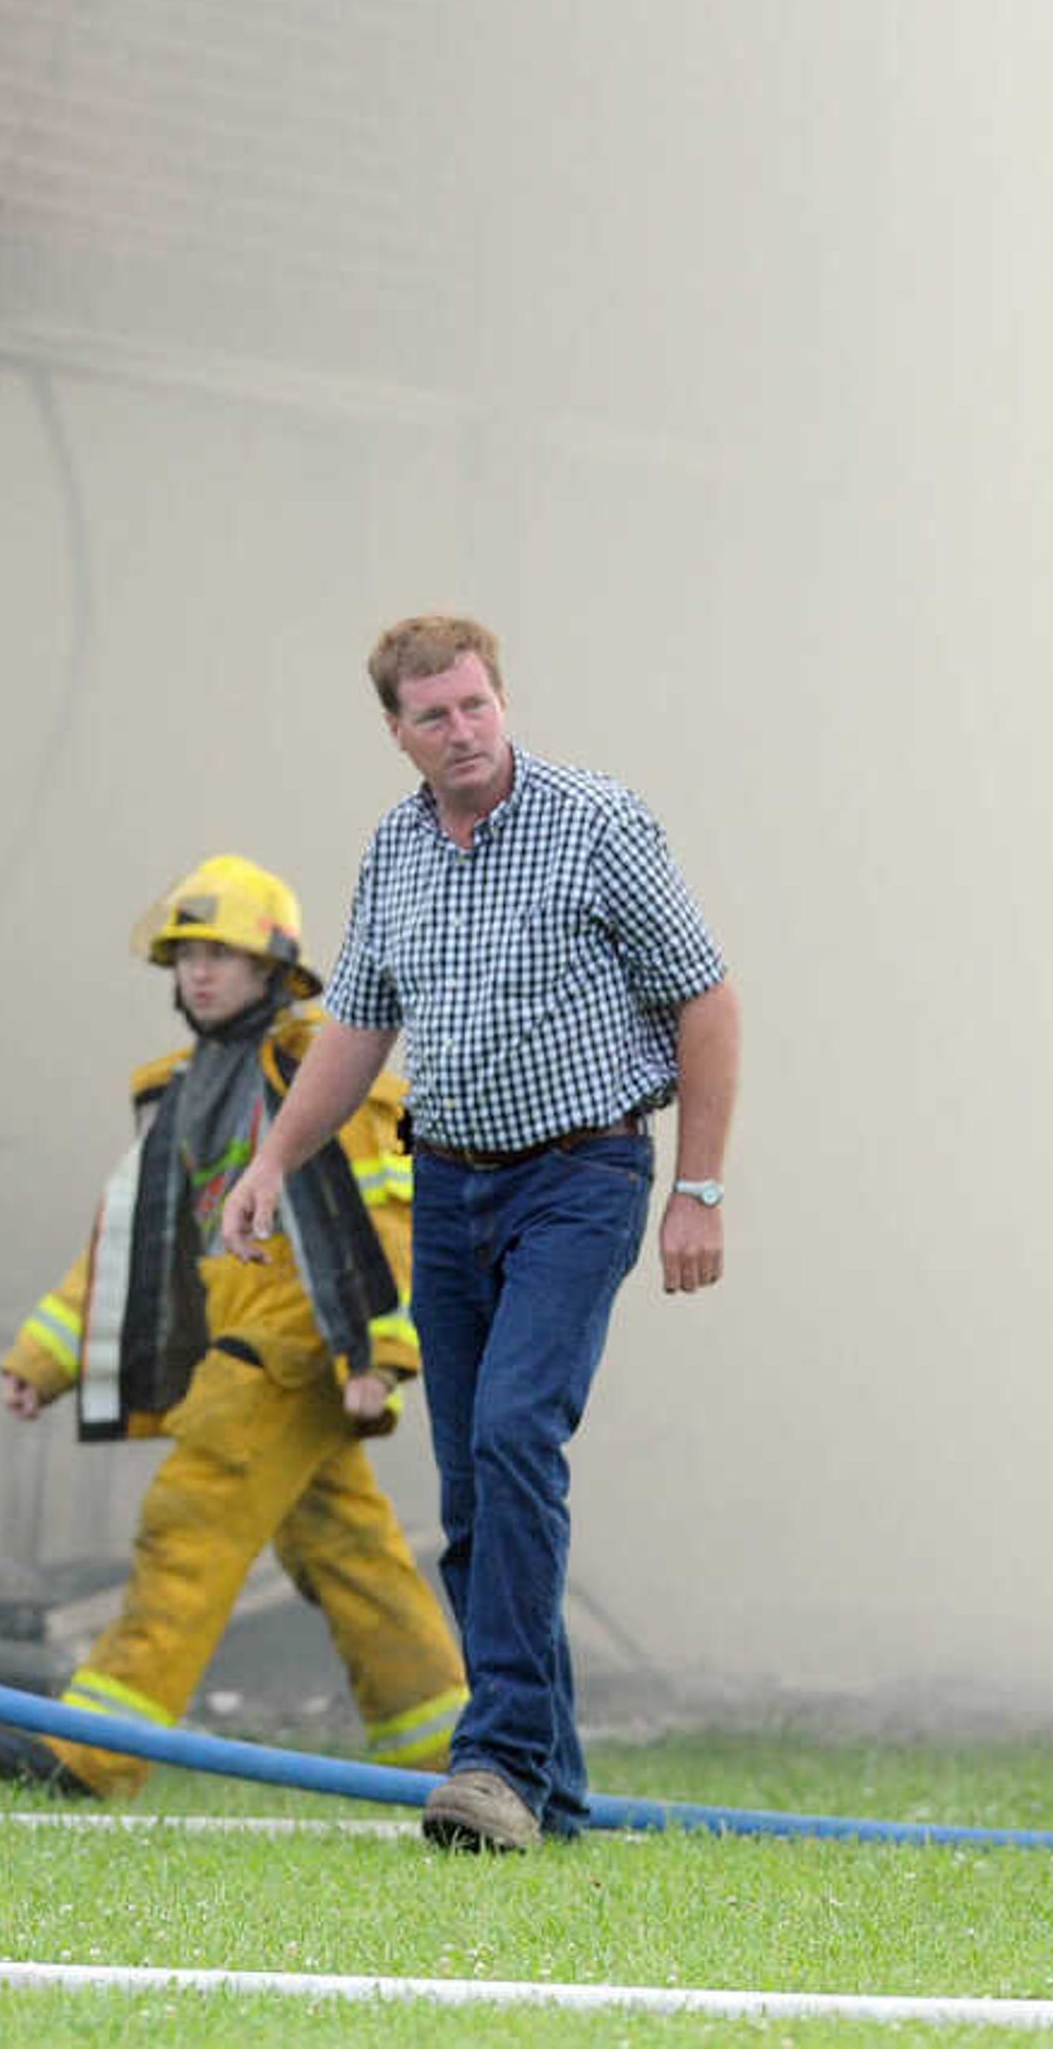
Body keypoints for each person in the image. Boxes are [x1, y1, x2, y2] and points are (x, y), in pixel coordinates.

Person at [218, 614, 736, 1853]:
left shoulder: (600, 823)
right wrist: (275, 1159)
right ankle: (545, 1790)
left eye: (477, 705)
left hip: (585, 1172)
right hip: (448, 1187)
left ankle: (493, 1757)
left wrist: (698, 1190)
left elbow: (706, 997)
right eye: (434, 715)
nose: (463, 731)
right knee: (472, 1489)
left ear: (504, 699)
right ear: (396, 731)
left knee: (516, 1432)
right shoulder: (395, 848)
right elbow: (358, 1020)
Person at [0, 852, 467, 1799]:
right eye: (186, 956)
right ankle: (456, 1760)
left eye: (224, 957)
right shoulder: (185, 1093)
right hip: (243, 1354)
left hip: (282, 1347)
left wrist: (378, 1353)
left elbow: (389, 1220)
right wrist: (48, 1355)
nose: (200, 974)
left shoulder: (327, 1074)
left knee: (187, 1523)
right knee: (353, 1558)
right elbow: (133, 1251)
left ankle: (91, 1757)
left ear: (276, 972)